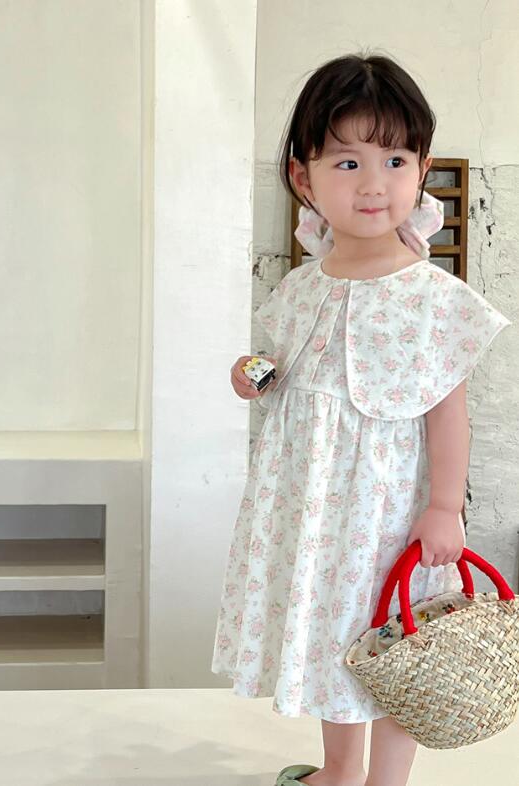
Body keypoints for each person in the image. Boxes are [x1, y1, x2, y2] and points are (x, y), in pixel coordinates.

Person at [210, 51, 513, 786]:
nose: (374, 183)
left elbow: (448, 415)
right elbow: (281, 371)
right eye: (347, 163)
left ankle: (386, 782)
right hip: (313, 513)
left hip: (387, 515)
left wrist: (444, 507)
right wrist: (251, 376)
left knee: (399, 641)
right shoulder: (301, 286)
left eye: (395, 160)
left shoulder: (431, 298)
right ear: (303, 177)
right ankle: (340, 771)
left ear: (422, 169)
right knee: (332, 637)